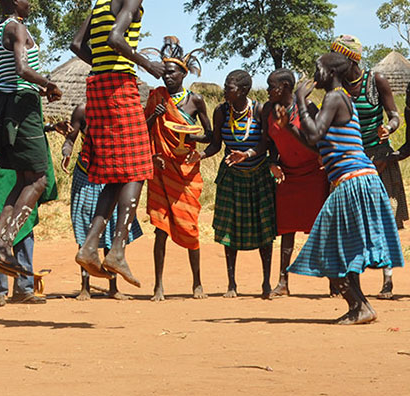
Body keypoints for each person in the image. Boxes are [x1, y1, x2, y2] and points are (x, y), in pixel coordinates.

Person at [69, 0, 169, 287]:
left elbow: (77, 45)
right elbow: (114, 37)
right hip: (118, 87)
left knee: (116, 172)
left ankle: (92, 246)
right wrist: (146, 63)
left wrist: (104, 68)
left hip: (96, 86)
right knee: (140, 167)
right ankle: (118, 250)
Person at [287, 51, 404, 324]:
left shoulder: (334, 97)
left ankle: (360, 306)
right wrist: (291, 126)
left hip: (352, 181)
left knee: (326, 248)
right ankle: (361, 307)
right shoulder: (344, 99)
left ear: (330, 74)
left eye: (318, 70)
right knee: (343, 250)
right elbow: (318, 144)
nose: (314, 76)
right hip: (359, 180)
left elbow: (314, 132)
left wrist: (299, 101)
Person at [0, 0, 62, 280]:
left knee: (23, 180)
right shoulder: (17, 27)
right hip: (23, 109)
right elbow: (24, 69)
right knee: (38, 180)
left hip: (7, 107)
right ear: (14, 1)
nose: (29, 3)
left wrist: (16, 90)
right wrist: (48, 85)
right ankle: (2, 243)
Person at [331, 35, 404, 298]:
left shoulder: (376, 81)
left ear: (349, 60)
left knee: (385, 221)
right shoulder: (336, 89)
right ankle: (350, 281)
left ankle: (387, 280)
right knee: (349, 223)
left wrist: (389, 127)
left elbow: (394, 115)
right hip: (348, 160)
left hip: (378, 159)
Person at [144, 37, 211, 301]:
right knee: (160, 229)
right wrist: (154, 115)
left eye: (172, 72)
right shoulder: (155, 98)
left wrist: (195, 143)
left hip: (186, 172)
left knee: (190, 227)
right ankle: (158, 286)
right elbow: (142, 131)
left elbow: (210, 136)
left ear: (183, 73)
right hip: (161, 169)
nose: (167, 76)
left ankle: (197, 283)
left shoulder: (196, 100)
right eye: (164, 72)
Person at [203, 70, 276, 299]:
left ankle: (266, 283)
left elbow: (267, 142)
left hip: (259, 175)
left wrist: (248, 154)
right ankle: (231, 284)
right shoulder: (221, 111)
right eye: (225, 87)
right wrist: (201, 156)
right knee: (229, 229)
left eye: (229, 88)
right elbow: (216, 144)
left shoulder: (260, 110)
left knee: (264, 230)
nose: (225, 91)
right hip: (231, 176)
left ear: (243, 90)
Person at [62, 104, 142, 301]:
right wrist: (66, 152)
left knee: (113, 224)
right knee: (86, 225)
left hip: (111, 172)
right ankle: (85, 287)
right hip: (86, 173)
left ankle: (113, 287)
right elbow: (70, 139)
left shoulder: (121, 111)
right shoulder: (83, 111)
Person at [263, 69, 329, 297]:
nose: (269, 91)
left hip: (314, 174)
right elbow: (268, 141)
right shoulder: (268, 111)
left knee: (322, 229)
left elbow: (318, 145)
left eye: (272, 86)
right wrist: (273, 162)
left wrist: (289, 129)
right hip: (288, 175)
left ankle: (335, 280)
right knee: (287, 229)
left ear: (285, 87)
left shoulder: (308, 109)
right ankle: (282, 281)